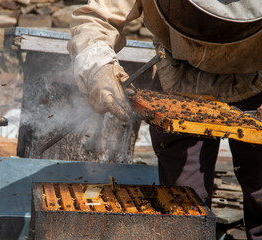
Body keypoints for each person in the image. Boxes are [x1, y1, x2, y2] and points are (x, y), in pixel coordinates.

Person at [67, 0, 262, 238]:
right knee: (183, 207)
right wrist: (97, 66)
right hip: (178, 78)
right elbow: (98, 16)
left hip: (256, 79)